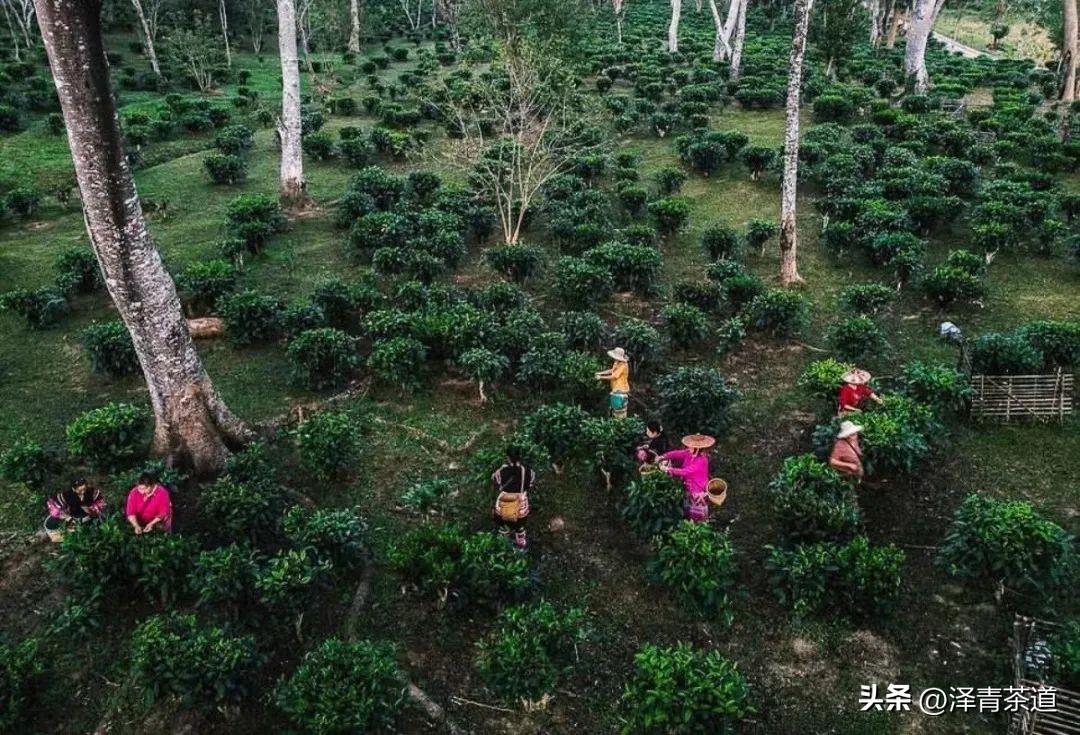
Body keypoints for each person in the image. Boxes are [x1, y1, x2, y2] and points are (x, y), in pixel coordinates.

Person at [659, 434, 715, 522]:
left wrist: (667, 469)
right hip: (689, 486)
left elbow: (685, 471)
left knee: (697, 513)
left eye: (691, 447)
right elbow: (678, 453)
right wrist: (664, 456)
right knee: (689, 508)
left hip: (698, 490)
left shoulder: (701, 461)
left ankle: (698, 527)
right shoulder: (690, 453)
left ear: (697, 449)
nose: (688, 448)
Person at [492, 446, 536, 550]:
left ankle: (502, 546)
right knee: (519, 527)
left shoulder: (502, 471)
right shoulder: (529, 472)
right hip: (521, 509)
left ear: (508, 458)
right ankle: (520, 547)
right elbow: (530, 484)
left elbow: (495, 482)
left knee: (503, 526)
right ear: (520, 457)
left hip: (503, 507)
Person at [595, 347, 630, 419]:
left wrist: (601, 378)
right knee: (614, 411)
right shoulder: (616, 362)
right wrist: (600, 373)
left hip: (620, 390)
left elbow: (614, 376)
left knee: (619, 412)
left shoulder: (623, 365)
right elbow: (611, 370)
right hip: (615, 389)